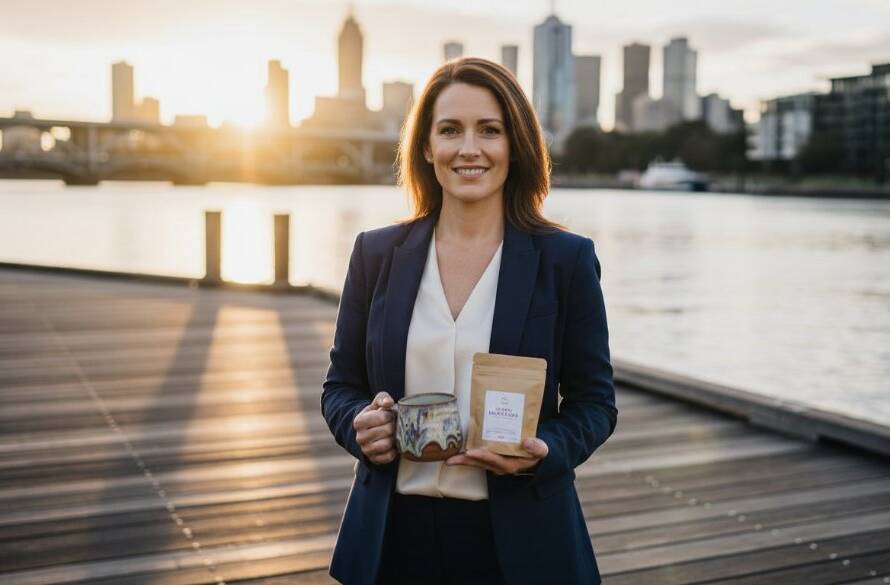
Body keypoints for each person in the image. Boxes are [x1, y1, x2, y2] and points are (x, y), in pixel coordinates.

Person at [320, 57, 618, 585]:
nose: (469, 148)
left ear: (516, 145)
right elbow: (341, 387)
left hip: (519, 541)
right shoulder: (376, 253)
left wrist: (545, 452)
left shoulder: (566, 260)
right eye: (450, 130)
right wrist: (358, 427)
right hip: (392, 540)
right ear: (426, 147)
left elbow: (594, 404)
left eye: (490, 130)